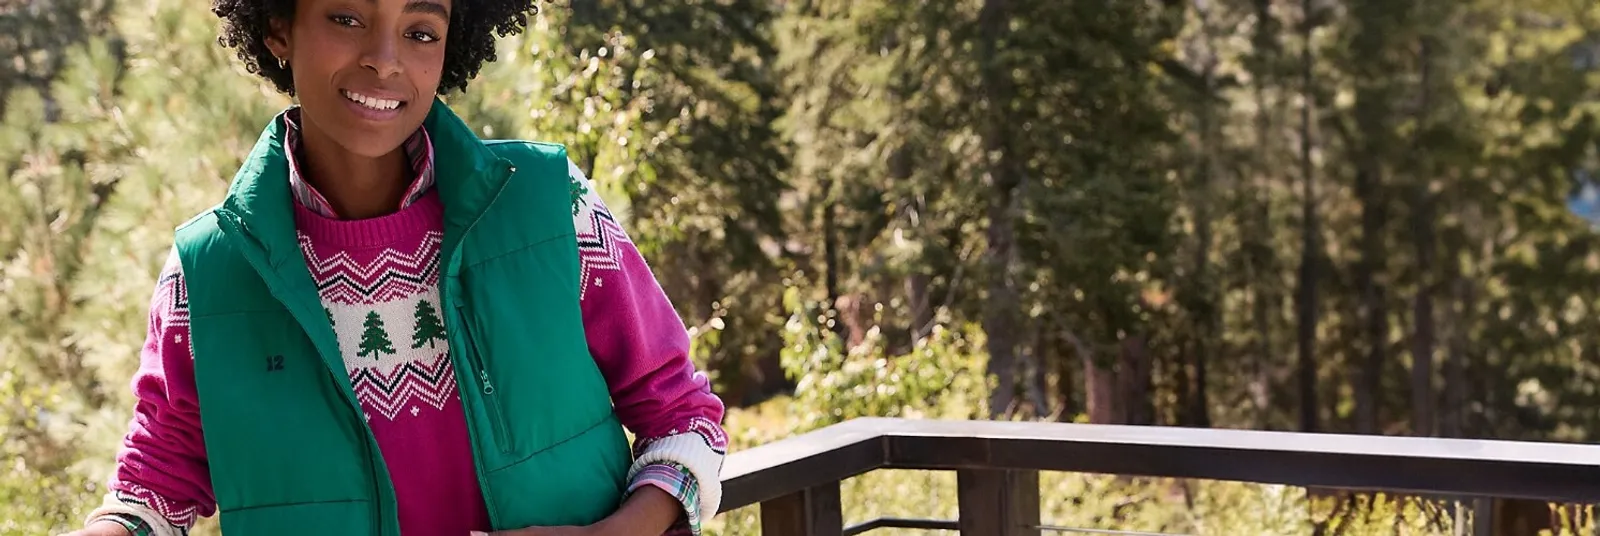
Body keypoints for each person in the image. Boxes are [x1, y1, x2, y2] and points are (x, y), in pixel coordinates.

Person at [64, 0, 727, 534]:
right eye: (346, 19)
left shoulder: (552, 207)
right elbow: (154, 488)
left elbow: (684, 418)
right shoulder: (208, 275)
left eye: (419, 30)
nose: (385, 61)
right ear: (277, 29)